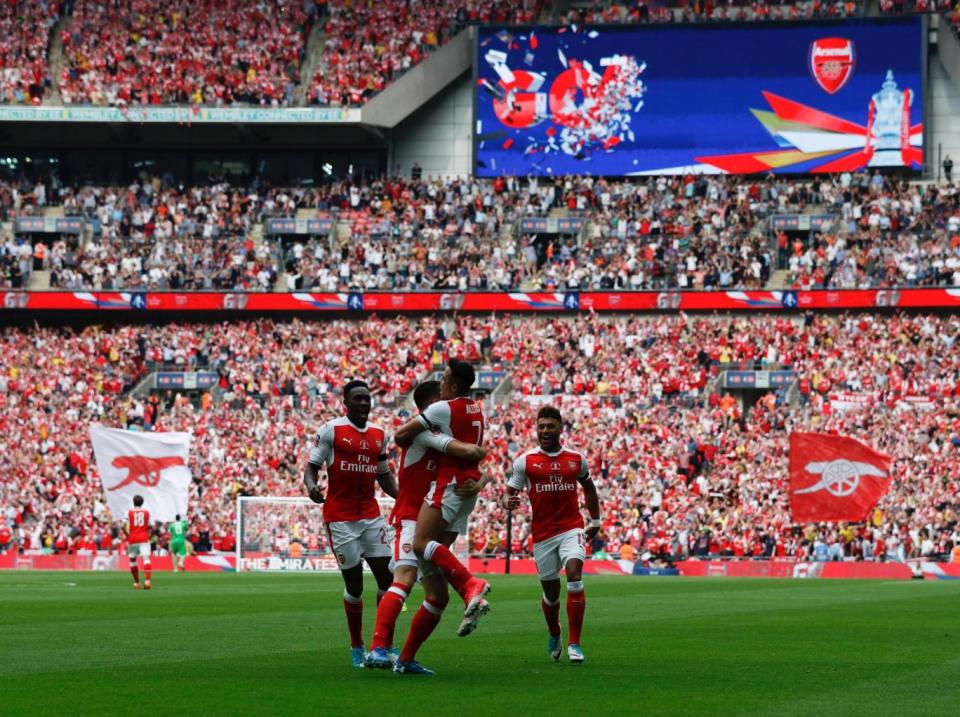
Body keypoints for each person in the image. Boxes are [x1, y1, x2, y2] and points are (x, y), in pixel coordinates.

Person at [365, 380, 486, 674]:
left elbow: (475, 467)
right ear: (426, 409)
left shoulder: (443, 435)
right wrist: (480, 452)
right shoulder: (424, 435)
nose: (446, 410)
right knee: (404, 577)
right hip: (409, 517)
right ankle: (377, 649)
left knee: (437, 597)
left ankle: (405, 661)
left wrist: (480, 481)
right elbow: (471, 452)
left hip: (431, 519)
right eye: (439, 404)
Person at [394, 359, 490, 652]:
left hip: (449, 486)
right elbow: (476, 451)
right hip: (468, 489)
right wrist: (483, 476)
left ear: (454, 386)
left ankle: (471, 585)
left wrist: (435, 439)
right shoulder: (476, 409)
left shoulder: (440, 410)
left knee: (422, 543)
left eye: (445, 379)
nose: (441, 383)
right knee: (437, 573)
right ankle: (407, 658)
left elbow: (399, 435)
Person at [304, 379, 399, 668]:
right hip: (341, 518)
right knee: (355, 585)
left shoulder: (379, 434)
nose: (363, 403)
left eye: (367, 399)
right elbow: (311, 468)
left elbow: (383, 475)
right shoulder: (332, 430)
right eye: (357, 398)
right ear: (346, 402)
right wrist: (311, 487)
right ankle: (357, 645)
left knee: (388, 578)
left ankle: (382, 644)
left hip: (370, 515)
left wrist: (405, 497)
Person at [500, 405, 601, 663]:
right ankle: (554, 631)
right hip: (543, 535)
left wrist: (596, 520)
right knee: (551, 594)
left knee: (575, 576)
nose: (544, 430)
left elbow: (589, 488)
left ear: (560, 428)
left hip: (572, 528)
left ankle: (575, 644)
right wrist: (507, 502)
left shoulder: (575, 459)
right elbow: (509, 493)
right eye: (541, 426)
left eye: (549, 426)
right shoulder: (525, 461)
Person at [126, 494, 153, 590]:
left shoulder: (129, 512)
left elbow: (123, 525)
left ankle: (137, 583)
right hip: (144, 538)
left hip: (132, 539)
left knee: (133, 560)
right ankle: (147, 581)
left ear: (133, 502)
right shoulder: (146, 513)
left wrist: (127, 535)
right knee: (146, 559)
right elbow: (151, 526)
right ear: (142, 502)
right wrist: (151, 536)